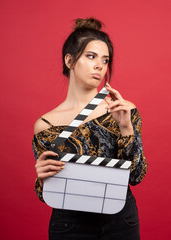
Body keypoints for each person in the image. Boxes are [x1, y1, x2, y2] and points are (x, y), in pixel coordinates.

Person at [31, 17, 148, 240]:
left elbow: (136, 176)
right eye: (91, 56)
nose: (99, 66)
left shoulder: (122, 110)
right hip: (71, 224)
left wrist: (126, 128)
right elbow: (47, 193)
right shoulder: (45, 125)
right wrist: (42, 179)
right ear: (69, 60)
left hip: (120, 218)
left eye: (105, 60)